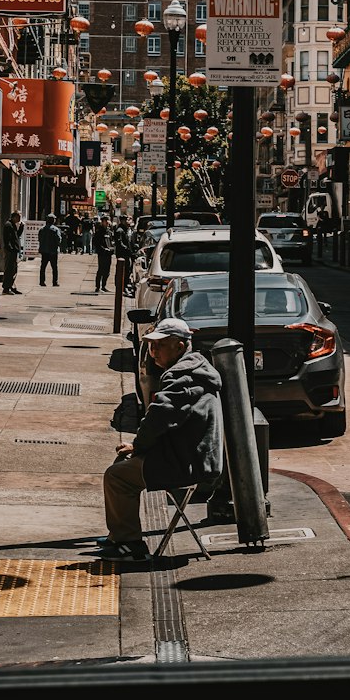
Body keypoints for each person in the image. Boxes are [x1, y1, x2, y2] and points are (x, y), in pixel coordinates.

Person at [97, 317, 223, 560]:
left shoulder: (183, 377)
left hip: (184, 464)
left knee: (117, 476)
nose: (153, 352)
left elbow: (158, 418)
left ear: (180, 345)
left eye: (161, 345)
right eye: (151, 346)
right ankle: (120, 535)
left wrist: (138, 446)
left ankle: (130, 545)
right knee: (121, 465)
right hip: (190, 457)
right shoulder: (195, 371)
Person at [38, 213, 63, 288]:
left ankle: (42, 281)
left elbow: (39, 239)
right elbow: (58, 240)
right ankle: (55, 282)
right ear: (53, 221)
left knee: (43, 267)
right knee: (54, 267)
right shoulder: (55, 229)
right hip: (53, 251)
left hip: (44, 251)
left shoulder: (42, 229)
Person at [2, 211, 23, 294]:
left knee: (14, 270)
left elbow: (16, 236)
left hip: (14, 250)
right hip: (11, 251)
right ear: (14, 217)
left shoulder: (13, 225)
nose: (19, 219)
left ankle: (11, 286)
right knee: (9, 270)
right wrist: (10, 249)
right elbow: (7, 239)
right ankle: (6, 287)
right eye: (18, 217)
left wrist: (21, 228)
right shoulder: (8, 225)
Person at [93, 214, 115, 293]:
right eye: (106, 221)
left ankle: (104, 286)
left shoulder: (109, 232)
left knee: (107, 271)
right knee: (101, 270)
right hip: (102, 254)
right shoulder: (99, 232)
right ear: (103, 222)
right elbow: (96, 243)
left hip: (108, 254)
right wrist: (103, 249)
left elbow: (111, 242)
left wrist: (112, 248)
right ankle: (98, 287)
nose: (107, 223)